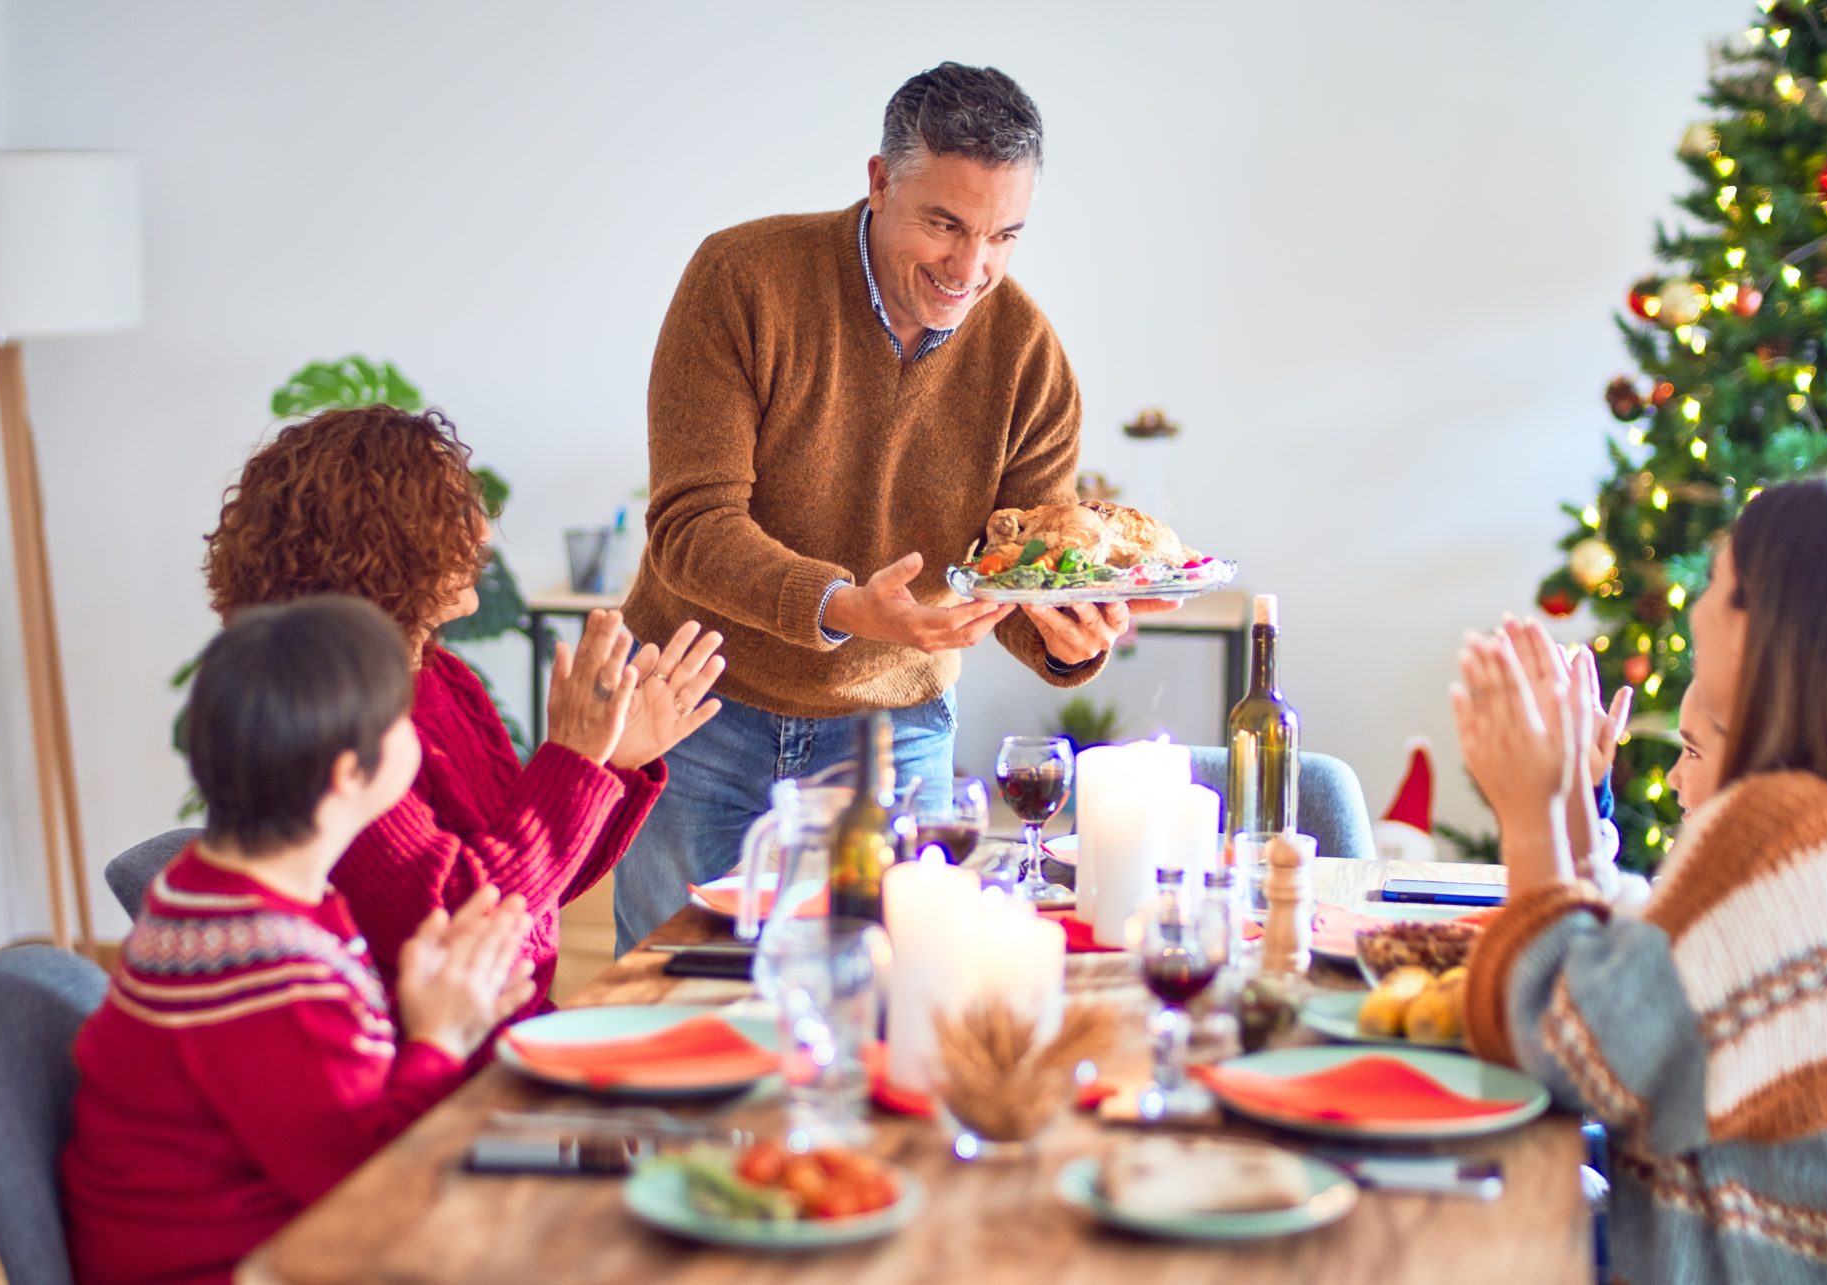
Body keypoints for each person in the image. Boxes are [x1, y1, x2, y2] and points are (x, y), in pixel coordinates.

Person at [616, 62, 1159, 949]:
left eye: (1003, 236)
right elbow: (691, 527)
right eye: (945, 224)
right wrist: (843, 604)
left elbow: (1015, 574)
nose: (971, 266)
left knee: (881, 992)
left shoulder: (1028, 357)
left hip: (892, 727)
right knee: (673, 990)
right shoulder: (742, 280)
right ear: (878, 181)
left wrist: (1064, 633)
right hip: (695, 710)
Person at [1450, 478, 1827, 1282]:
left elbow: (1557, 1051)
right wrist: (1564, 796)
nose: (1696, 608)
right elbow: (1677, 958)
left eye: (1717, 586)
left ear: (1766, 631)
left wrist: (1528, 810)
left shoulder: (1778, 830)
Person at [61, 596, 536, 1283]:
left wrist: (427, 1010)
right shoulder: (265, 964)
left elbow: (313, 1096)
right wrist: (440, 1039)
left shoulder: (210, 887)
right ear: (352, 773)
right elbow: (367, 1189)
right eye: (406, 715)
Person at [203, 405, 723, 1012]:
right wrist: (575, 762)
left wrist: (613, 765)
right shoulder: (336, 727)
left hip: (510, 1027)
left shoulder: (442, 676)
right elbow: (466, 920)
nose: (481, 532)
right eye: (450, 511)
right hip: (444, 1062)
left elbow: (533, 889)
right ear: (375, 541)